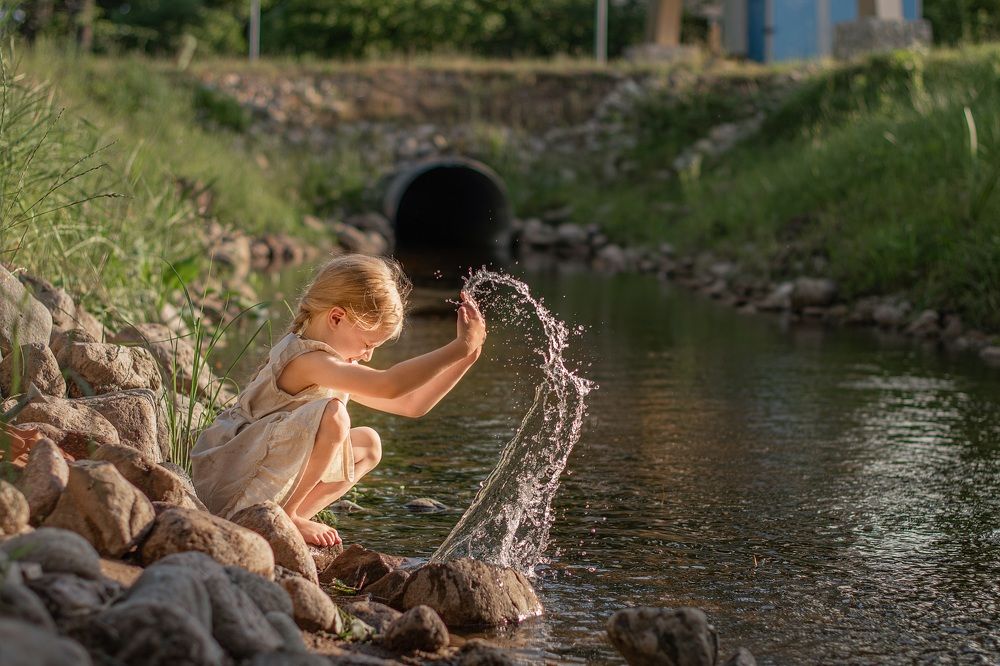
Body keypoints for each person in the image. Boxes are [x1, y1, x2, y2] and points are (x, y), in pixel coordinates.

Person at [191, 254, 486, 546]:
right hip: (233, 477)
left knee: (368, 444)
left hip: (260, 480)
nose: (368, 355)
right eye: (368, 344)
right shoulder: (306, 360)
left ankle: (285, 519)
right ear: (336, 317)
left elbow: (412, 404)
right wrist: (457, 348)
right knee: (334, 415)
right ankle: (290, 514)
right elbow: (389, 384)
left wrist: (467, 358)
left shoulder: (335, 366)